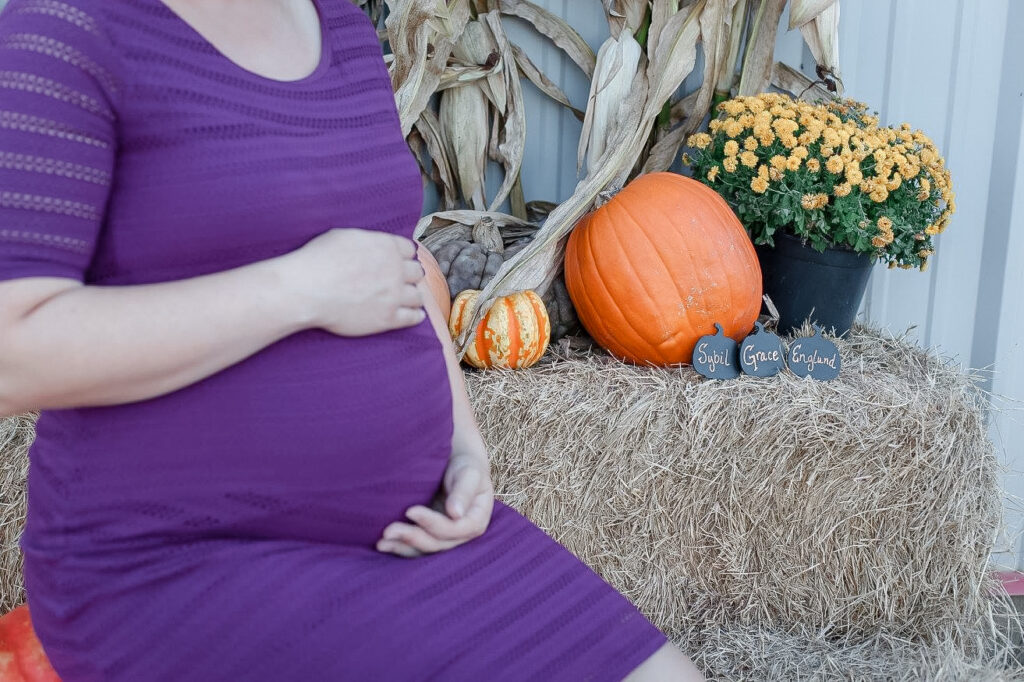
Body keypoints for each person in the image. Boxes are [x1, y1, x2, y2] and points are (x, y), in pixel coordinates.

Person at [0, 0, 706, 679]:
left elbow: (389, 258)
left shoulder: (336, 23)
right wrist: (294, 292)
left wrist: (464, 449)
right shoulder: (68, 29)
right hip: (179, 563)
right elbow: (13, 352)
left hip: (408, 533)